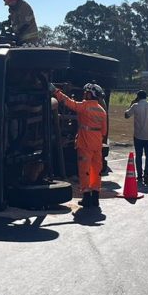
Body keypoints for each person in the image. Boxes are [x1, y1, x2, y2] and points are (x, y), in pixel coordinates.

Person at [52, 82, 108, 210]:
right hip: (97, 144)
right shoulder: (102, 110)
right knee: (96, 170)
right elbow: (104, 132)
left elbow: (68, 102)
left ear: (89, 94)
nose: (83, 95)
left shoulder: (84, 106)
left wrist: (56, 92)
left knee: (85, 171)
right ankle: (95, 197)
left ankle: (87, 197)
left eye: (85, 93)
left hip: (85, 143)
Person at [125, 90, 148, 185]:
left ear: (138, 97)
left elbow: (126, 115)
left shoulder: (135, 106)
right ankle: (147, 174)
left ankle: (139, 175)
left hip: (138, 135)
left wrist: (131, 104)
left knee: (138, 156)